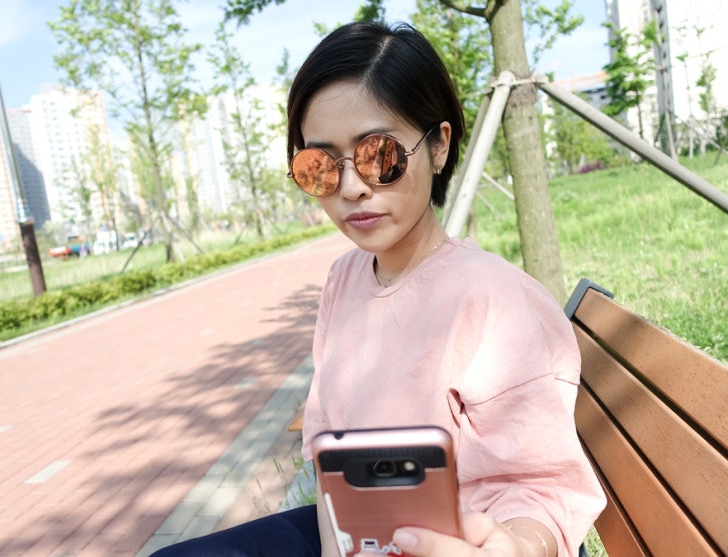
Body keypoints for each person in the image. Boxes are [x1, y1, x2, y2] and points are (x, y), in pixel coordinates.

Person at [150, 21, 605, 557]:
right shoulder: (343, 280)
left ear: (439, 145)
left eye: (380, 155)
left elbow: (543, 489)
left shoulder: (496, 301)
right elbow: (331, 459)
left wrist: (518, 547)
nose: (351, 187)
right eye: (320, 166)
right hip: (359, 533)